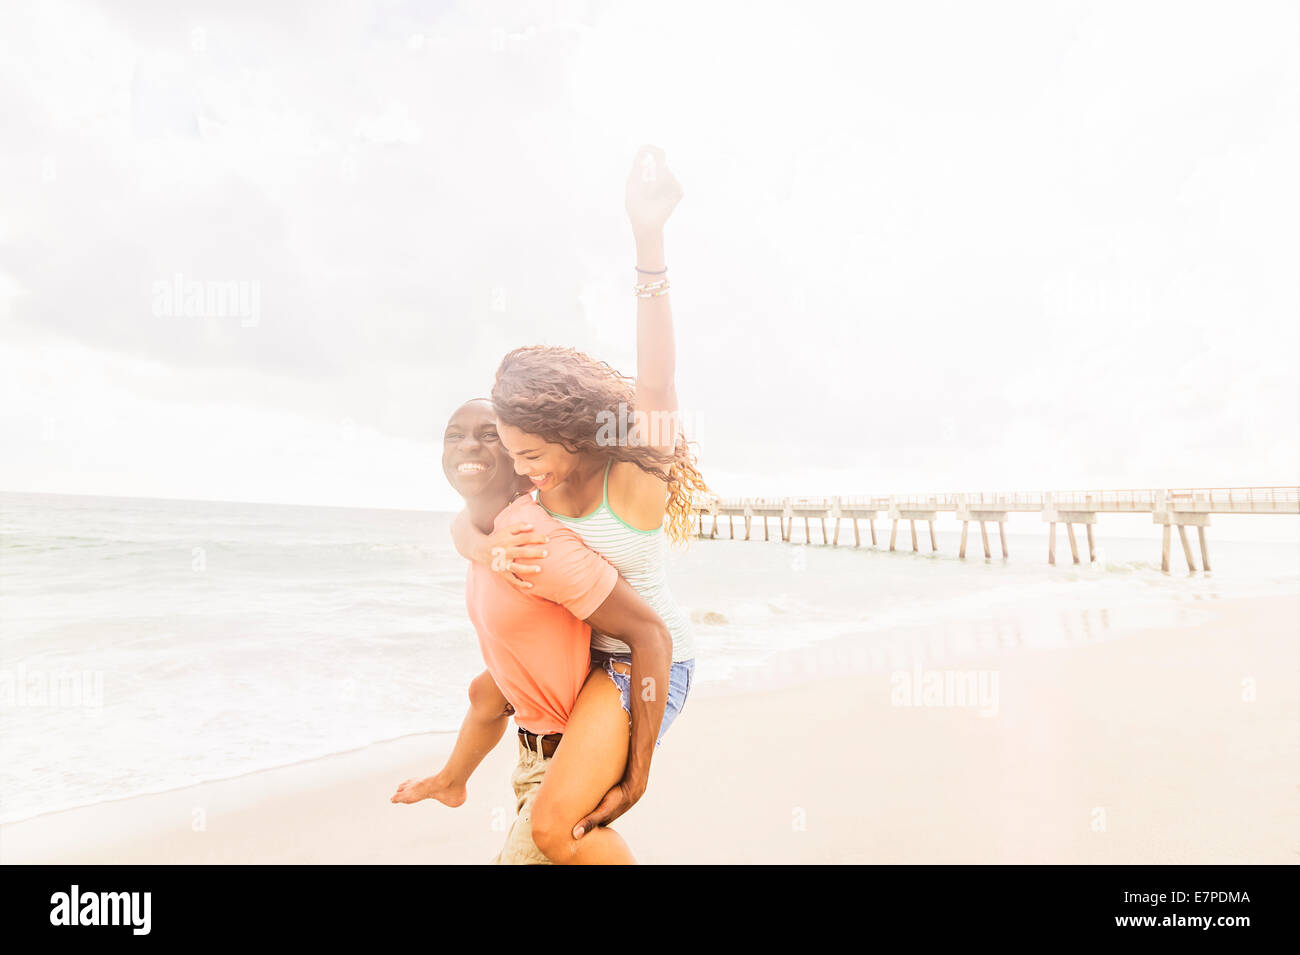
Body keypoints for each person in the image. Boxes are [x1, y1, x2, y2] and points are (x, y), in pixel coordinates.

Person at [450, 145, 706, 834]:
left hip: (648, 664)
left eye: (531, 453)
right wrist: (484, 552)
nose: (523, 468)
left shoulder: (630, 480)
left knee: (553, 826)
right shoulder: (535, 483)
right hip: (587, 663)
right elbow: (465, 522)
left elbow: (655, 380)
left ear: (569, 431)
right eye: (513, 455)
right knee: (550, 817)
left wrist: (648, 237)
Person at [392, 398, 683, 864]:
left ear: (522, 461)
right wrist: (484, 549)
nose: (469, 443)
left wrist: (637, 776)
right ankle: (452, 783)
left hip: (568, 756)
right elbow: (460, 527)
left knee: (557, 839)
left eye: (490, 435)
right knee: (484, 690)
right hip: (531, 755)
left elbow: (651, 634)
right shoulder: (485, 533)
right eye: (454, 434)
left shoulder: (532, 542)